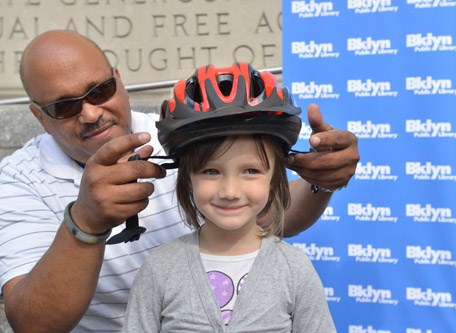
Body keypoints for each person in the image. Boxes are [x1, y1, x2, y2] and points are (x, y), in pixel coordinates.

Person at [0, 30, 357, 332]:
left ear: (119, 80)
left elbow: (267, 214)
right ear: (39, 116)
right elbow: (32, 322)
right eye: (64, 107)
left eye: (99, 91)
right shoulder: (18, 180)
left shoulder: (179, 136)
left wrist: (321, 181)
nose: (91, 113)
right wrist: (85, 224)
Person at [123, 62, 336, 332]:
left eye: (251, 170)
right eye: (211, 171)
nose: (230, 192)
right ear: (188, 176)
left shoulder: (294, 269)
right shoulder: (159, 269)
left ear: (275, 177)